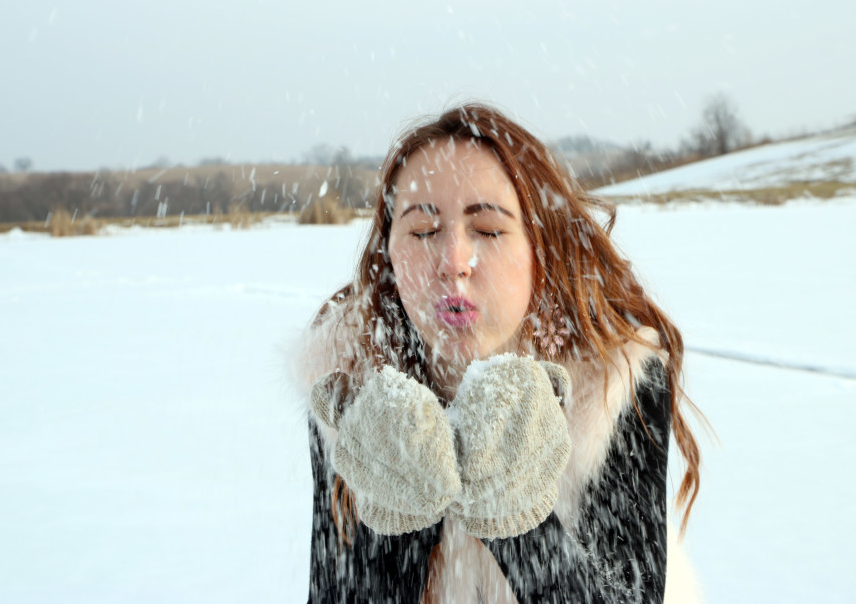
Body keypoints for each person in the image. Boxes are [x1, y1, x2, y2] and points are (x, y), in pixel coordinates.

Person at [296, 103, 702, 603]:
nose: (453, 262)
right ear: (389, 254)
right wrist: (397, 517)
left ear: (541, 246)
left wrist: (516, 515)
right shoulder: (348, 383)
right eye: (422, 231)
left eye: (487, 229)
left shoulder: (613, 381)